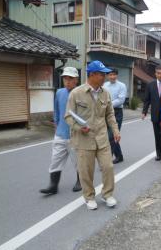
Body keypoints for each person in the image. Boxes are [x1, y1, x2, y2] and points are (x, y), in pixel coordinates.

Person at [65, 60, 120, 210]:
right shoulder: (76, 93)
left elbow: (110, 114)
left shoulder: (105, 93)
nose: (105, 77)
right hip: (84, 139)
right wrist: (78, 127)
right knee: (86, 171)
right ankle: (89, 197)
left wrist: (115, 130)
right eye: (102, 74)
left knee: (108, 166)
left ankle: (107, 194)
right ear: (92, 75)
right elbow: (68, 117)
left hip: (102, 137)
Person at [40, 67, 81, 195]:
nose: (67, 81)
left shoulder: (82, 93)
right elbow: (57, 111)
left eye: (70, 78)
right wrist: (56, 125)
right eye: (65, 78)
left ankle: (80, 181)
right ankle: (53, 185)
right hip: (61, 133)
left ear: (76, 80)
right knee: (55, 159)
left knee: (78, 161)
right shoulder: (59, 92)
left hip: (76, 134)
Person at [142, 65, 161, 164]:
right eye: (158, 73)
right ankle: (159, 153)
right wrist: (144, 112)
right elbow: (147, 100)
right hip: (155, 113)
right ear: (155, 73)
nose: (160, 75)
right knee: (157, 134)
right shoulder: (150, 84)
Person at [104, 69, 127, 164]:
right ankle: (119, 156)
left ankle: (107, 161)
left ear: (117, 75)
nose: (112, 77)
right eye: (110, 75)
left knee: (112, 135)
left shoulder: (122, 86)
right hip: (105, 112)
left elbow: (121, 100)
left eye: (114, 75)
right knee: (110, 136)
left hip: (117, 112)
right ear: (107, 76)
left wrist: (108, 105)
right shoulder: (104, 85)